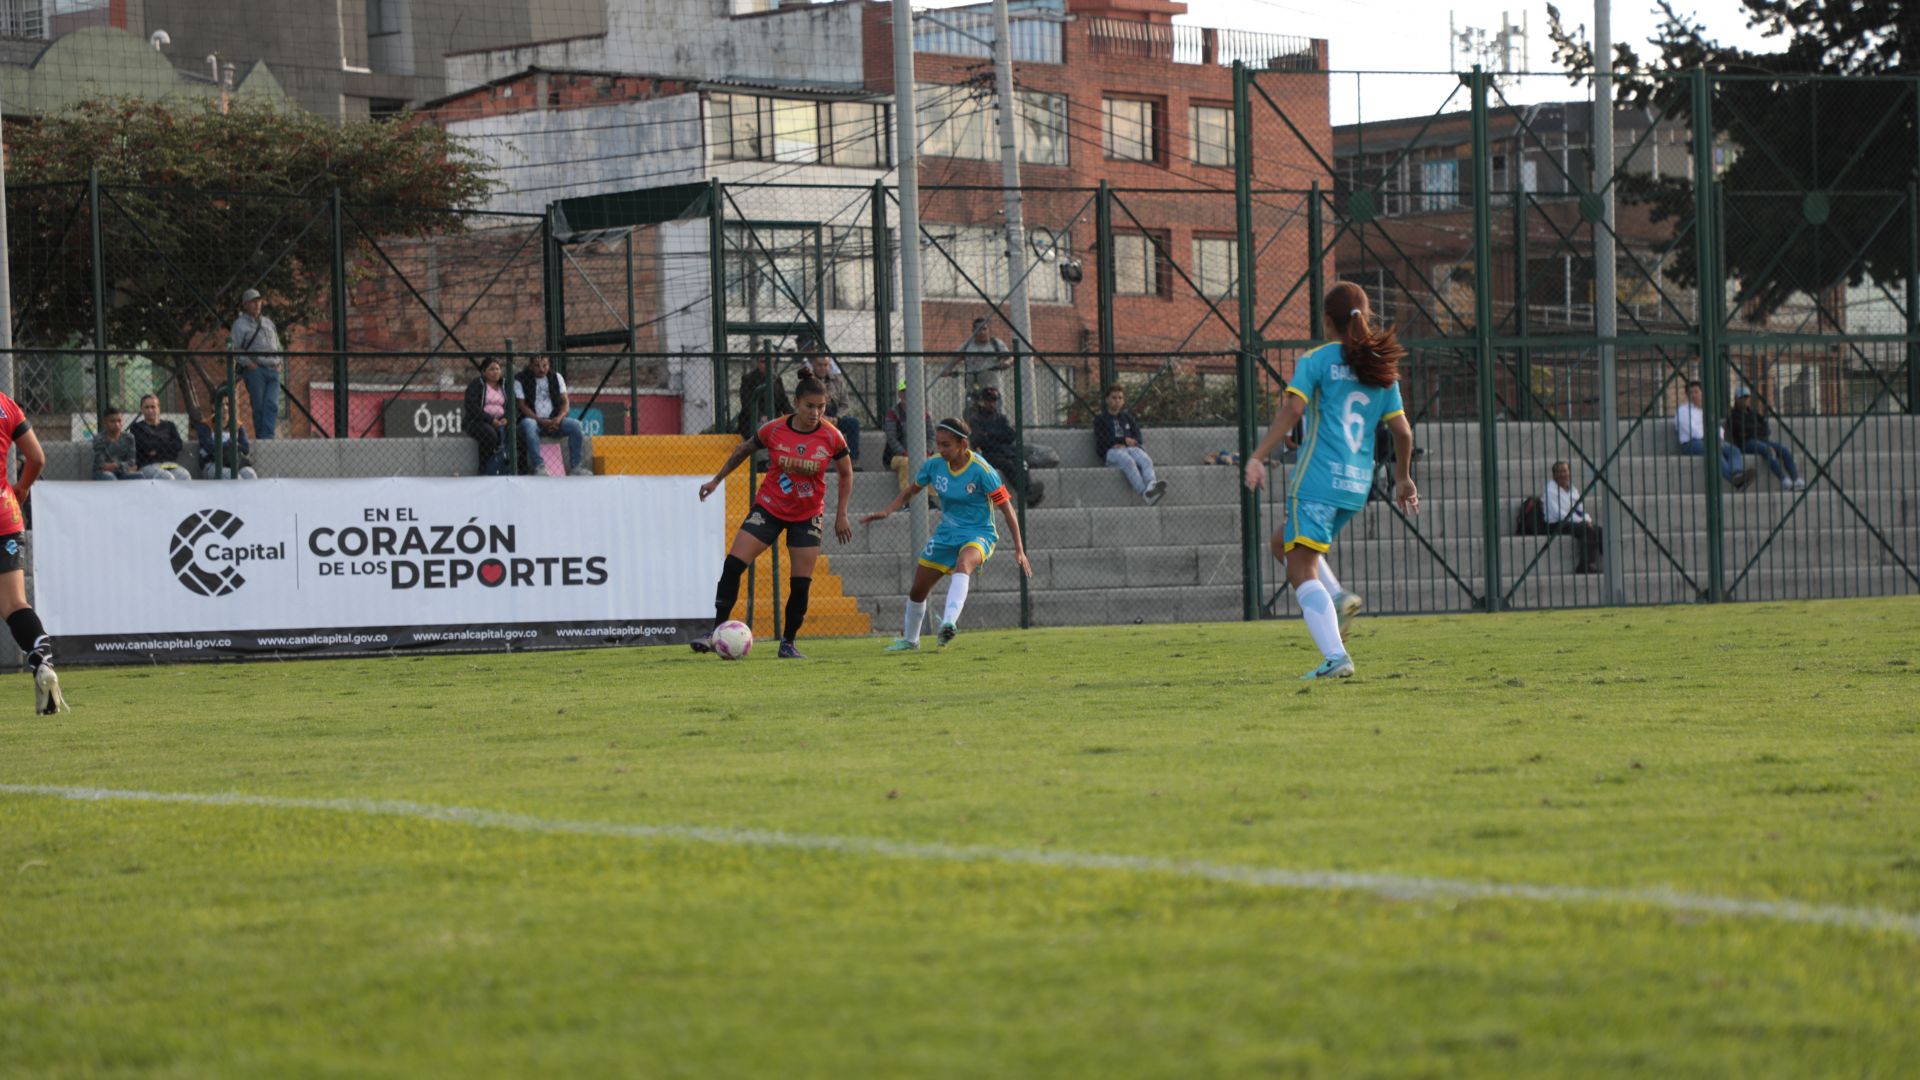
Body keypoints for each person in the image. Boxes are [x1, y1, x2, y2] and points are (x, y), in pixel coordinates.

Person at [1245, 281, 1417, 681]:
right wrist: (1404, 478)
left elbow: (1292, 407)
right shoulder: (1380, 368)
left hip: (1318, 479)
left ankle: (1335, 656)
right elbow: (1404, 433)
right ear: (1365, 314)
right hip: (1356, 484)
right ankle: (1337, 597)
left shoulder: (1317, 360)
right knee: (1281, 542)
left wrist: (1257, 455)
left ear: (1327, 320)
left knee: (1300, 569)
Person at [694, 376, 854, 660]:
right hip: (769, 508)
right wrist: (716, 481)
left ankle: (788, 643)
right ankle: (715, 632)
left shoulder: (832, 436)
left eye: (821, 406)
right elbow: (743, 450)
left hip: (807, 515)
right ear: (796, 403)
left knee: (801, 583)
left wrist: (841, 514)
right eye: (809, 406)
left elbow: (845, 473)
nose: (815, 413)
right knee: (733, 565)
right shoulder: (775, 429)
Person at [861, 417, 1032, 651]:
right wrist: (886, 511)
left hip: (979, 533)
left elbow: (1007, 509)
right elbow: (911, 490)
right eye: (939, 444)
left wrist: (1019, 549)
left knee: (964, 564)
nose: (940, 450)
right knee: (918, 589)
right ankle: (911, 641)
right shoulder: (934, 465)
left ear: (962, 444)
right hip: (946, 534)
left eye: (946, 445)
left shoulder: (982, 470)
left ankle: (949, 623)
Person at [0, 387, 67, 713]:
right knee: (15, 603)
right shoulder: (6, 405)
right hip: (6, 514)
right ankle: (43, 663)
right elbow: (37, 458)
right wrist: (22, 487)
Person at [963, 386, 1043, 508]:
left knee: (1021, 462)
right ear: (982, 401)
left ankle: (1029, 491)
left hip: (1004, 450)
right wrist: (997, 436)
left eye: (994, 400)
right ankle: (1027, 493)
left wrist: (991, 434)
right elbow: (979, 440)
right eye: (988, 400)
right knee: (1007, 465)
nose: (991, 403)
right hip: (988, 453)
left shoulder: (1000, 418)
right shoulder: (976, 419)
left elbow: (1010, 435)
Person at [515, 354, 590, 476]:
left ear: (549, 365)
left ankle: (576, 467)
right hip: (535, 422)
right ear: (530, 366)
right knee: (529, 424)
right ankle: (539, 467)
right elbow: (522, 405)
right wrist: (540, 421)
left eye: (545, 365)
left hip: (555, 421)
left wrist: (558, 419)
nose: (542, 369)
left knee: (575, 425)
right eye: (537, 366)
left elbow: (565, 402)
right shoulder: (520, 379)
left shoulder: (556, 377)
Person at [1093, 384, 1166, 505]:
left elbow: (1138, 437)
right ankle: (1145, 494)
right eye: (1114, 398)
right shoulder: (1100, 420)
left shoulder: (1127, 418)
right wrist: (1122, 441)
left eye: (1120, 398)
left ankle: (1152, 487)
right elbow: (1102, 442)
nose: (1117, 401)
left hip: (1130, 449)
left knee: (1145, 459)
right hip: (1111, 452)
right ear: (1107, 399)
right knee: (1128, 462)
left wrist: (1130, 443)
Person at [796, 333, 860, 465]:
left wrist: (837, 418)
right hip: (816, 416)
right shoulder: (808, 382)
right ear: (813, 365)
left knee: (853, 423)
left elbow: (845, 404)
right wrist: (822, 417)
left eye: (826, 365)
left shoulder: (837, 380)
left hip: (835, 415)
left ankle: (853, 461)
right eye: (819, 365)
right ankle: (816, 461)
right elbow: (804, 404)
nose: (823, 368)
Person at [1675, 380, 1751, 490]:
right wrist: (1713, 440)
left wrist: (1719, 439)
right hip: (1691, 443)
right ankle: (1736, 481)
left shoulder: (1706, 410)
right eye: (1690, 393)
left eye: (1696, 392)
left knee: (1734, 450)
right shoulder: (1682, 411)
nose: (1694, 395)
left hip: (1710, 440)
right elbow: (1693, 431)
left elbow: (1718, 427)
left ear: (1702, 393)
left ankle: (1737, 474)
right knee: (1714, 451)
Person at [229, 288, 282, 439]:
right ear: (245, 305)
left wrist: (279, 361)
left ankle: (267, 437)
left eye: (258, 301)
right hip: (256, 369)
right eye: (253, 302)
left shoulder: (268, 322)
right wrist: (248, 363)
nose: (257, 304)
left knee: (272, 404)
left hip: (273, 368)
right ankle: (263, 437)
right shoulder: (239, 325)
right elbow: (234, 348)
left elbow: (277, 344)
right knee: (259, 405)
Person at [1727, 387, 1804, 490]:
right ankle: (1784, 479)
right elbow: (1741, 431)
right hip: (1747, 443)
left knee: (1784, 450)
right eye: (1742, 398)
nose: (1745, 400)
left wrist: (1753, 430)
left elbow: (1765, 428)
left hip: (1761, 440)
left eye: (1747, 397)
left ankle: (1795, 478)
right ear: (1736, 399)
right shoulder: (1733, 415)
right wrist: (1756, 430)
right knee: (1767, 450)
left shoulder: (1753, 414)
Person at [463, 357, 529, 476]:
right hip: (479, 421)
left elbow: (514, 406)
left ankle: (520, 470)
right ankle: (484, 470)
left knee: (518, 434)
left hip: (502, 421)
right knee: (490, 435)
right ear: (483, 372)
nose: (495, 372)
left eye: (498, 369)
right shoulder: (477, 384)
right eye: (491, 369)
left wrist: (507, 418)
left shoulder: (505, 385)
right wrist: (491, 420)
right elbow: (471, 407)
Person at [1544, 461, 1604, 575]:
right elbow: (1559, 513)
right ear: (1554, 475)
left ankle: (1606, 559)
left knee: (1600, 531)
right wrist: (1582, 522)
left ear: (1569, 473)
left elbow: (1580, 510)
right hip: (1556, 523)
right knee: (1588, 530)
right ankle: (1584, 566)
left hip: (1573, 521)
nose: (1562, 474)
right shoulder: (1550, 490)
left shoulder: (1573, 490)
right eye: (1559, 472)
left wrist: (1587, 519)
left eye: (1565, 471)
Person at [883, 378, 935, 499]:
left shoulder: (924, 413)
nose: (908, 395)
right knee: (907, 463)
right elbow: (891, 438)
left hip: (921, 454)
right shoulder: (893, 413)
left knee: (932, 462)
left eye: (911, 392)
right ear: (900, 395)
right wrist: (904, 453)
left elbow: (931, 435)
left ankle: (929, 498)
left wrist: (927, 451)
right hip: (897, 456)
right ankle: (907, 499)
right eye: (904, 392)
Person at [939, 316, 1013, 400]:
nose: (982, 332)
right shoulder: (967, 345)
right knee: (971, 412)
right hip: (972, 391)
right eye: (978, 329)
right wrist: (948, 369)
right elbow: (955, 358)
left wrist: (1007, 363)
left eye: (984, 329)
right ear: (973, 331)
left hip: (993, 390)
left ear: (988, 330)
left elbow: (1010, 358)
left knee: (994, 412)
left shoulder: (996, 344)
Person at [129, 395, 192, 480]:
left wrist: (156, 449)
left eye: (153, 407)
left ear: (158, 409)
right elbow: (145, 446)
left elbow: (178, 445)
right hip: (148, 465)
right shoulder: (136, 427)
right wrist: (166, 446)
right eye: (146, 407)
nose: (150, 410)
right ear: (142, 409)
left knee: (185, 475)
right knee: (166, 477)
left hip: (170, 464)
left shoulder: (169, 425)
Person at [736, 342, 791, 439]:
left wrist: (792, 416)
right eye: (763, 361)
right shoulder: (748, 379)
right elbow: (747, 403)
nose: (767, 364)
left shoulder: (777, 379)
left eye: (769, 361)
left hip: (774, 419)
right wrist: (760, 416)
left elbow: (784, 402)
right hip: (752, 421)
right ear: (757, 363)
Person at [193, 412, 257, 480]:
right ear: (213, 406)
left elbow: (246, 449)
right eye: (223, 404)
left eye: (227, 404)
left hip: (235, 464)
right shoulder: (205, 425)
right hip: (213, 464)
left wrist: (230, 445)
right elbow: (208, 446)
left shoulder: (238, 425)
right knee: (233, 477)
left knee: (250, 475)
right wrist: (229, 444)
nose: (226, 408)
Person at [91, 407, 137, 481]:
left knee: (140, 476)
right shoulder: (99, 439)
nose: (117, 424)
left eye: (119, 421)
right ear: (105, 422)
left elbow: (132, 462)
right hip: (102, 474)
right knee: (110, 478)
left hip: (122, 473)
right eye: (112, 421)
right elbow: (101, 465)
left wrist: (116, 465)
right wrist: (125, 466)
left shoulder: (129, 438)